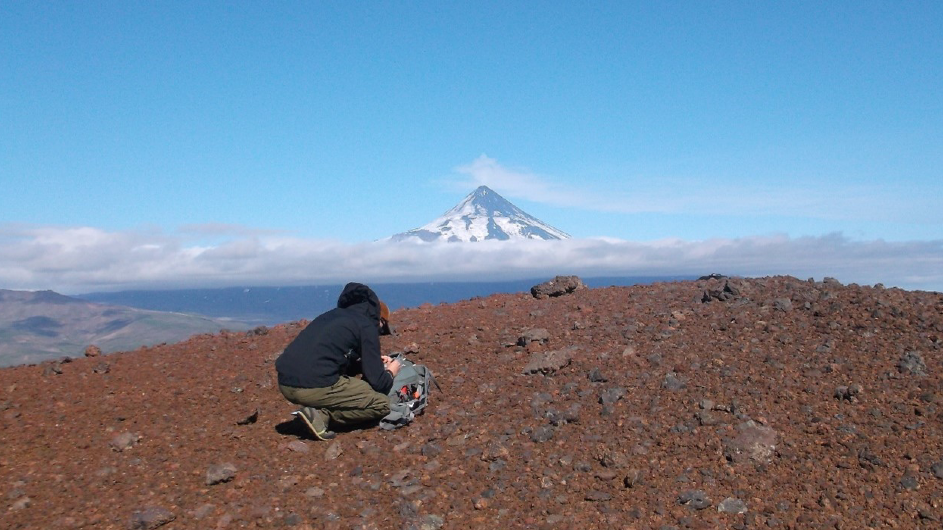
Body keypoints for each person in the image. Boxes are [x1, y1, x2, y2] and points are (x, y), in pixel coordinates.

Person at [275, 282, 402, 440]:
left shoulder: (333, 315)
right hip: (311, 386)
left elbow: (329, 358)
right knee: (381, 403)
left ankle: (314, 413)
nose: (379, 333)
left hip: (285, 383)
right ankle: (322, 416)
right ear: (379, 320)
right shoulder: (367, 325)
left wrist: (363, 364)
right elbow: (379, 383)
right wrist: (391, 371)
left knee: (349, 385)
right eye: (382, 330)